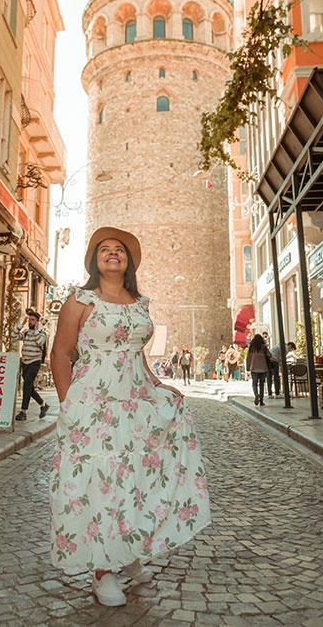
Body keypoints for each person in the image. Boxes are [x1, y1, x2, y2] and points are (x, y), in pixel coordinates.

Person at [49, 227, 210, 607]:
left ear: (128, 261)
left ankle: (127, 551)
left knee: (135, 478)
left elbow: (136, 353)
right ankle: (102, 571)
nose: (112, 253)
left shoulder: (139, 302)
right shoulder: (80, 300)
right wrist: (67, 403)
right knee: (99, 482)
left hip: (136, 403)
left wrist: (158, 384)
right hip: (94, 403)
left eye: (119, 249)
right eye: (104, 249)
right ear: (94, 260)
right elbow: (60, 354)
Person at [13, 308, 50, 421]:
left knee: (26, 385)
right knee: (29, 387)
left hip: (35, 361)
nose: (30, 322)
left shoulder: (42, 333)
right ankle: (43, 405)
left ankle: (23, 412)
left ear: (37, 322)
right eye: (29, 320)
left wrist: (35, 330)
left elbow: (39, 342)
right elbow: (13, 336)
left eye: (32, 320)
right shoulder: (26, 332)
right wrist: (21, 324)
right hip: (25, 362)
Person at [246, 333, 271, 406]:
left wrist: (248, 367)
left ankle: (256, 394)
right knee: (262, 385)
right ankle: (261, 400)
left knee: (254, 384)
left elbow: (248, 358)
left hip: (254, 368)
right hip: (263, 368)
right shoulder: (263, 348)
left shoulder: (251, 348)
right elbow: (270, 355)